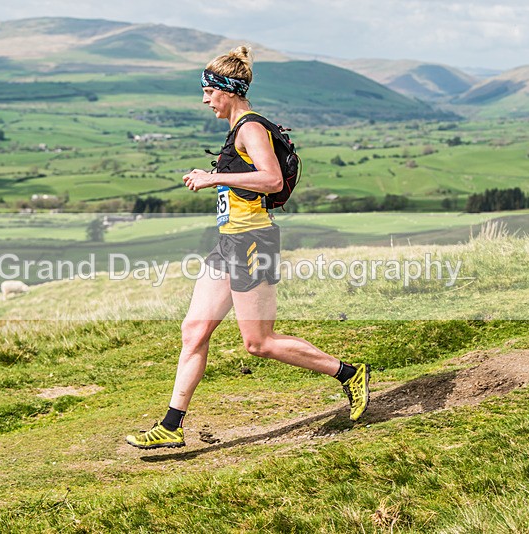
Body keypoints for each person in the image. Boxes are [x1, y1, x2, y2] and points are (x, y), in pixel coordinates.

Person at [126, 46, 370, 450]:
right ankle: (171, 425)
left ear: (227, 90)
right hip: (230, 243)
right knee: (194, 329)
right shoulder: (238, 128)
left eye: (208, 91)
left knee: (259, 343)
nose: (204, 100)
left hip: (254, 242)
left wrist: (211, 179)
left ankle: (349, 373)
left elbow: (272, 179)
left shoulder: (250, 128)